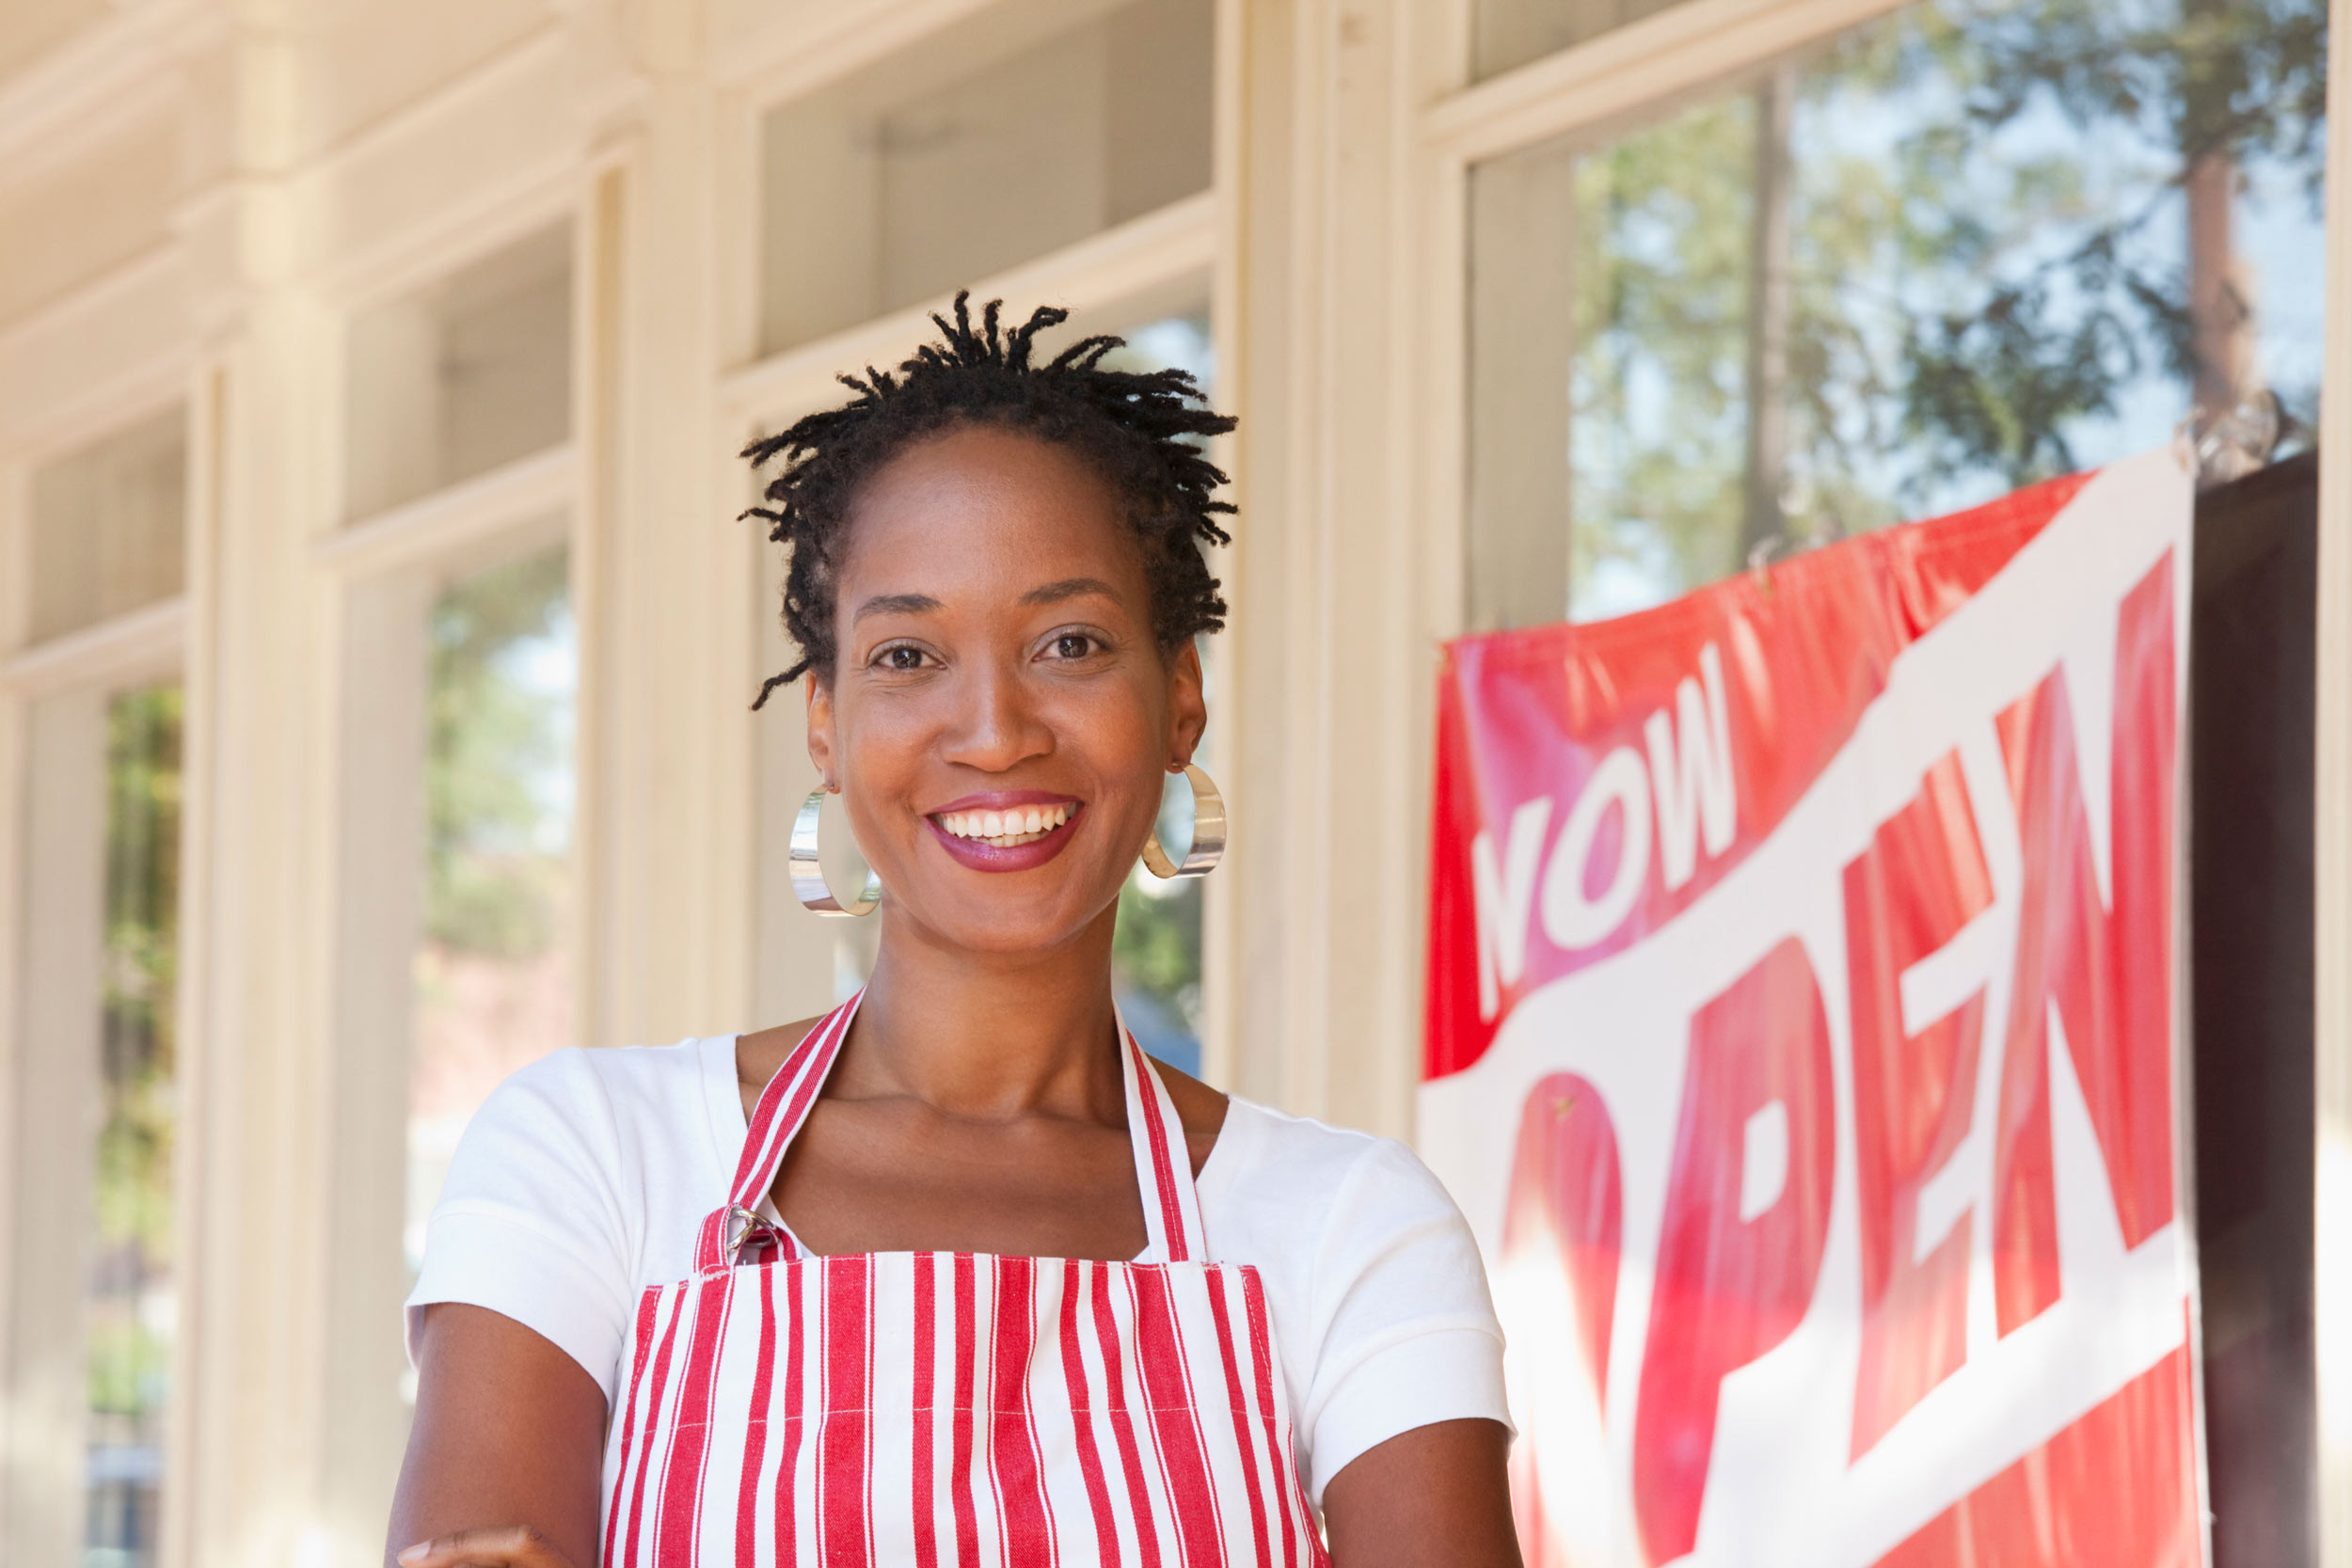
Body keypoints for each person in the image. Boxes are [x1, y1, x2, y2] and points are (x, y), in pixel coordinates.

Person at [388, 297, 1520, 1568]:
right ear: (825, 724)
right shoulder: (596, 1157)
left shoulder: (1352, 1229)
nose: (994, 730)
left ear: (1181, 699)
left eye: (1071, 643)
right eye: (909, 653)